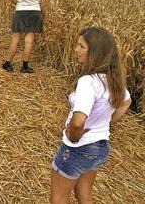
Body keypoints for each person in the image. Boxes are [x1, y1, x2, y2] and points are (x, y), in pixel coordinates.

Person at [50, 27, 131, 204]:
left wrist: (73, 136)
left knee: (58, 198)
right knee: (84, 194)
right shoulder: (113, 79)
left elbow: (78, 123)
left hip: (78, 148)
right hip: (100, 147)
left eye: (81, 46)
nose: (76, 50)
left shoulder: (88, 82)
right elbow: (126, 101)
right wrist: (105, 122)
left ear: (95, 52)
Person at [2, 0, 48, 73]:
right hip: (35, 12)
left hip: (21, 11)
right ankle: (25, 66)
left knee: (15, 39)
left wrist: (20, 2)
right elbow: (43, 5)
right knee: (29, 40)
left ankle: (7, 63)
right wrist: (44, 17)